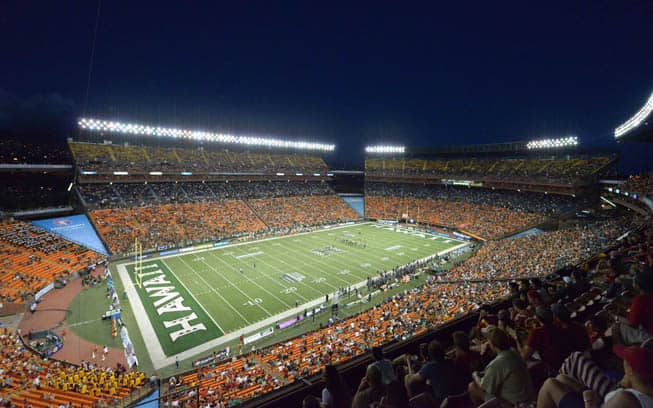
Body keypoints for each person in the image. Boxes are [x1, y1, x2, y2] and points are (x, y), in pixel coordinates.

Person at [537, 343, 653, 408]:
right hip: (603, 401)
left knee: (550, 384)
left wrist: (589, 402)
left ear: (631, 371)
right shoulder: (641, 391)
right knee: (562, 378)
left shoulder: (626, 398)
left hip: (593, 405)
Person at [468, 328, 535, 406]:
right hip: (529, 399)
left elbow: (483, 387)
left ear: (492, 345)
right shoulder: (514, 352)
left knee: (472, 387)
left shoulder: (498, 363)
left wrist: (475, 375)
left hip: (515, 404)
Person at [405, 339, 454, 403]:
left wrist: (408, 362)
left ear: (430, 354)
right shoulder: (450, 361)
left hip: (442, 400)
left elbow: (411, 379)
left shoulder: (429, 367)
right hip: (455, 395)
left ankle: (411, 402)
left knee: (407, 378)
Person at [614, 269, 653, 346]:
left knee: (617, 327)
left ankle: (625, 352)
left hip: (650, 333)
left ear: (639, 286)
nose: (633, 284)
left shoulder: (640, 300)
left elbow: (633, 324)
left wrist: (617, 317)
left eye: (634, 282)